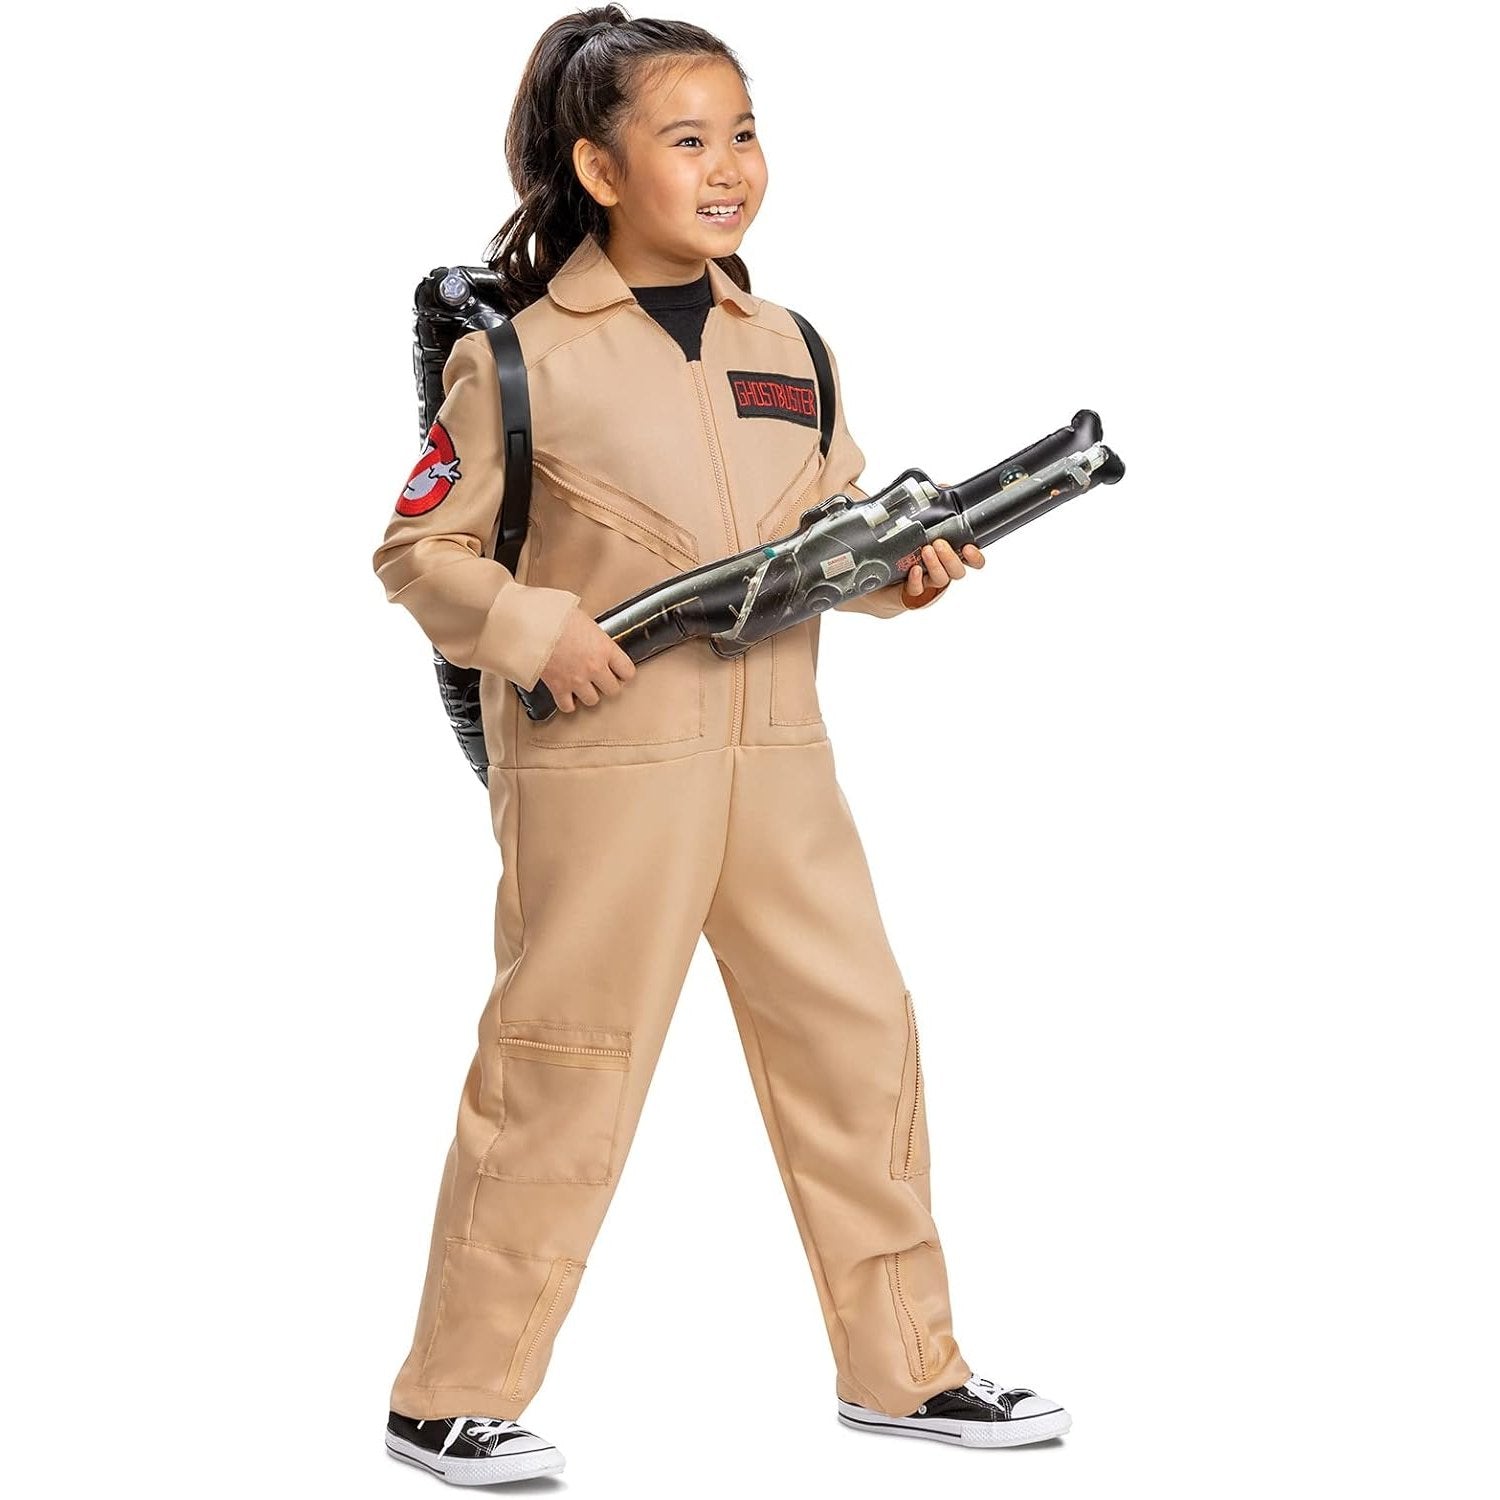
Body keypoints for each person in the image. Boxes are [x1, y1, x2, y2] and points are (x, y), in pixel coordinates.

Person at [373, 6, 1071, 1485]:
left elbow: (828, 535)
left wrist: (902, 575)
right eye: (687, 140)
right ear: (598, 169)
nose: (729, 167)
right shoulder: (523, 358)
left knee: (857, 1045)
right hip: (604, 767)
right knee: (564, 1064)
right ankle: (450, 1395)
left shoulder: (788, 345)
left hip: (782, 760)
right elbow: (419, 556)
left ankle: (907, 1369)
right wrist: (534, 627)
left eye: (744, 133)